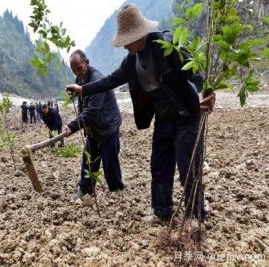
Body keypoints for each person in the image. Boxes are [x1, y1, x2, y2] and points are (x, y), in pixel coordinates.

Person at [66, 4, 216, 223]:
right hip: (164, 119)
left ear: (139, 35)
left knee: (188, 167)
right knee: (159, 166)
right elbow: (110, 81)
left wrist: (206, 92)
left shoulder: (166, 44)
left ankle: (196, 217)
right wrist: (83, 89)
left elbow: (194, 69)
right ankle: (162, 212)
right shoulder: (130, 61)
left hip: (187, 114)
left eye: (126, 40)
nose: (124, 45)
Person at [65, 49, 124, 199]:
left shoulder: (97, 78)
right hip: (93, 128)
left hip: (107, 126)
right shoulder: (80, 79)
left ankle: (117, 189)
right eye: (74, 70)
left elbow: (92, 110)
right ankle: (85, 189)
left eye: (79, 68)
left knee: (110, 159)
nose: (78, 72)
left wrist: (73, 126)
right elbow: (83, 104)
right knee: (89, 159)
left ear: (87, 62)